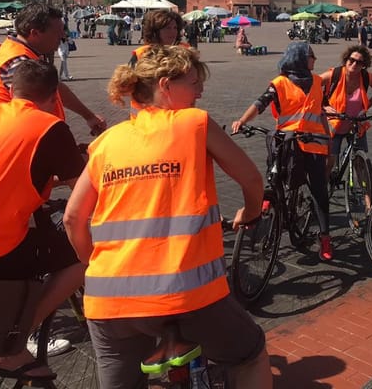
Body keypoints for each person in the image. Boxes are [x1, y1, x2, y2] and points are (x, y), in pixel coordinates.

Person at [63, 46, 271, 389]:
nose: (201, 92)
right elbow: (251, 179)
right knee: (250, 355)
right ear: (166, 86)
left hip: (107, 301)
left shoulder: (105, 143)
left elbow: (73, 219)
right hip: (187, 293)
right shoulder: (195, 123)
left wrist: (96, 269)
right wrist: (249, 214)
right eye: (194, 83)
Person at [0, 60, 86, 388]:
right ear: (54, 96)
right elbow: (82, 188)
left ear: (11, 91)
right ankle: (14, 339)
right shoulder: (50, 127)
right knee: (80, 260)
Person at [231, 42, 334, 261]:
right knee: (276, 177)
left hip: (314, 142)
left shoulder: (316, 81)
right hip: (287, 141)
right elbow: (261, 103)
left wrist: (329, 141)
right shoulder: (280, 82)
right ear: (299, 58)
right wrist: (242, 120)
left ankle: (325, 237)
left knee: (319, 191)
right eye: (311, 56)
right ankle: (267, 207)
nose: (314, 60)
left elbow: (321, 112)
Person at [0, 2, 106, 135]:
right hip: (15, 139)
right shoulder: (17, 63)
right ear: (35, 33)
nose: (62, 37)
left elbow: (56, 86)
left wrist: (88, 116)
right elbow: (35, 116)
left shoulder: (25, 54)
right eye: (57, 33)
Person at [320, 45, 372, 213]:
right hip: (333, 124)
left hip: (356, 123)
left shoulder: (365, 77)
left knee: (361, 163)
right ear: (346, 60)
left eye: (359, 62)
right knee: (329, 162)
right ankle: (320, 198)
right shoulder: (334, 74)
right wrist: (324, 106)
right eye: (352, 60)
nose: (354, 64)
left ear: (364, 65)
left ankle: (369, 204)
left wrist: (367, 106)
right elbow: (313, 86)